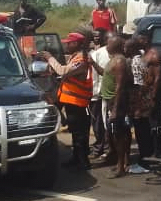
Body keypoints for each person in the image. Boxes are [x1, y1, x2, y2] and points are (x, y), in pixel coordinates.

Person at [40, 32, 92, 170]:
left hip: (78, 102)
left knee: (79, 134)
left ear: (76, 43)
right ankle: (76, 159)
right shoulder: (76, 57)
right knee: (75, 132)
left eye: (69, 43)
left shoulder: (81, 59)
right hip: (72, 101)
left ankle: (82, 162)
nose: (66, 45)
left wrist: (50, 58)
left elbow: (63, 71)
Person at [100, 35, 132, 178]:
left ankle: (120, 167)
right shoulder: (112, 60)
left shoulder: (119, 61)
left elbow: (119, 87)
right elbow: (106, 75)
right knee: (117, 134)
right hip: (111, 101)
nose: (106, 45)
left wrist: (115, 109)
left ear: (115, 46)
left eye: (108, 43)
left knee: (118, 135)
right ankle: (122, 162)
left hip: (116, 102)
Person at [128, 34, 161, 169]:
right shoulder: (143, 54)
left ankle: (147, 159)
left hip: (145, 96)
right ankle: (145, 156)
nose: (138, 41)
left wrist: (152, 96)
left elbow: (157, 78)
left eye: (140, 38)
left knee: (144, 128)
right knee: (140, 127)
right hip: (141, 95)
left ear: (146, 40)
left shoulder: (153, 54)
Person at [88, 30, 110, 159]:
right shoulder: (99, 53)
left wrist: (94, 93)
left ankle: (102, 148)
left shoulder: (97, 54)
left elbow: (95, 76)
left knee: (101, 123)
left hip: (101, 94)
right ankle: (103, 147)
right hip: (103, 93)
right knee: (102, 123)